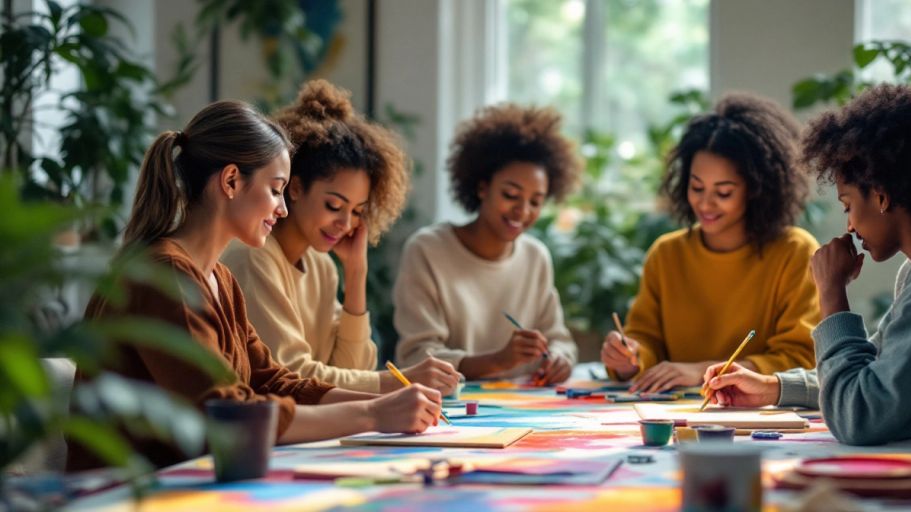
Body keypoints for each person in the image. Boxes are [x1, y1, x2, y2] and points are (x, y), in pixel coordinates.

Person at [67, 100, 441, 471]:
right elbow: (228, 413)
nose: (282, 209)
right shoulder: (166, 275)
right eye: (277, 190)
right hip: (124, 493)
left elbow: (274, 380)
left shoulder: (220, 280)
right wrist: (373, 414)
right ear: (231, 181)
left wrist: (384, 401)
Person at [702, 84, 911, 501]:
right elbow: (874, 376)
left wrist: (832, 293)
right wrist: (774, 387)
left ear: (882, 196)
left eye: (848, 204)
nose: (849, 226)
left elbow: (859, 416)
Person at [222, 80, 460, 395]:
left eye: (358, 211)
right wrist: (398, 381)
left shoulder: (320, 266)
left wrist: (356, 273)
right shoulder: (255, 256)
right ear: (294, 188)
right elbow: (289, 376)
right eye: (334, 205)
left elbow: (354, 371)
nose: (345, 223)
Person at [601, 93, 819, 392]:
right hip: (674, 416)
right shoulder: (667, 254)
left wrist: (704, 371)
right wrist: (630, 358)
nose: (705, 203)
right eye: (696, 187)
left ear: (757, 189)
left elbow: (801, 358)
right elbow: (645, 341)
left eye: (724, 192)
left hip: (756, 417)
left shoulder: (795, 252)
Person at [394, 103, 582, 384]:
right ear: (483, 188)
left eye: (535, 201)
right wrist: (496, 361)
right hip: (451, 413)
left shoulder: (535, 256)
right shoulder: (428, 250)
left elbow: (559, 340)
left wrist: (558, 359)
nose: (523, 211)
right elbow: (417, 357)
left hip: (526, 411)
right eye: (510, 194)